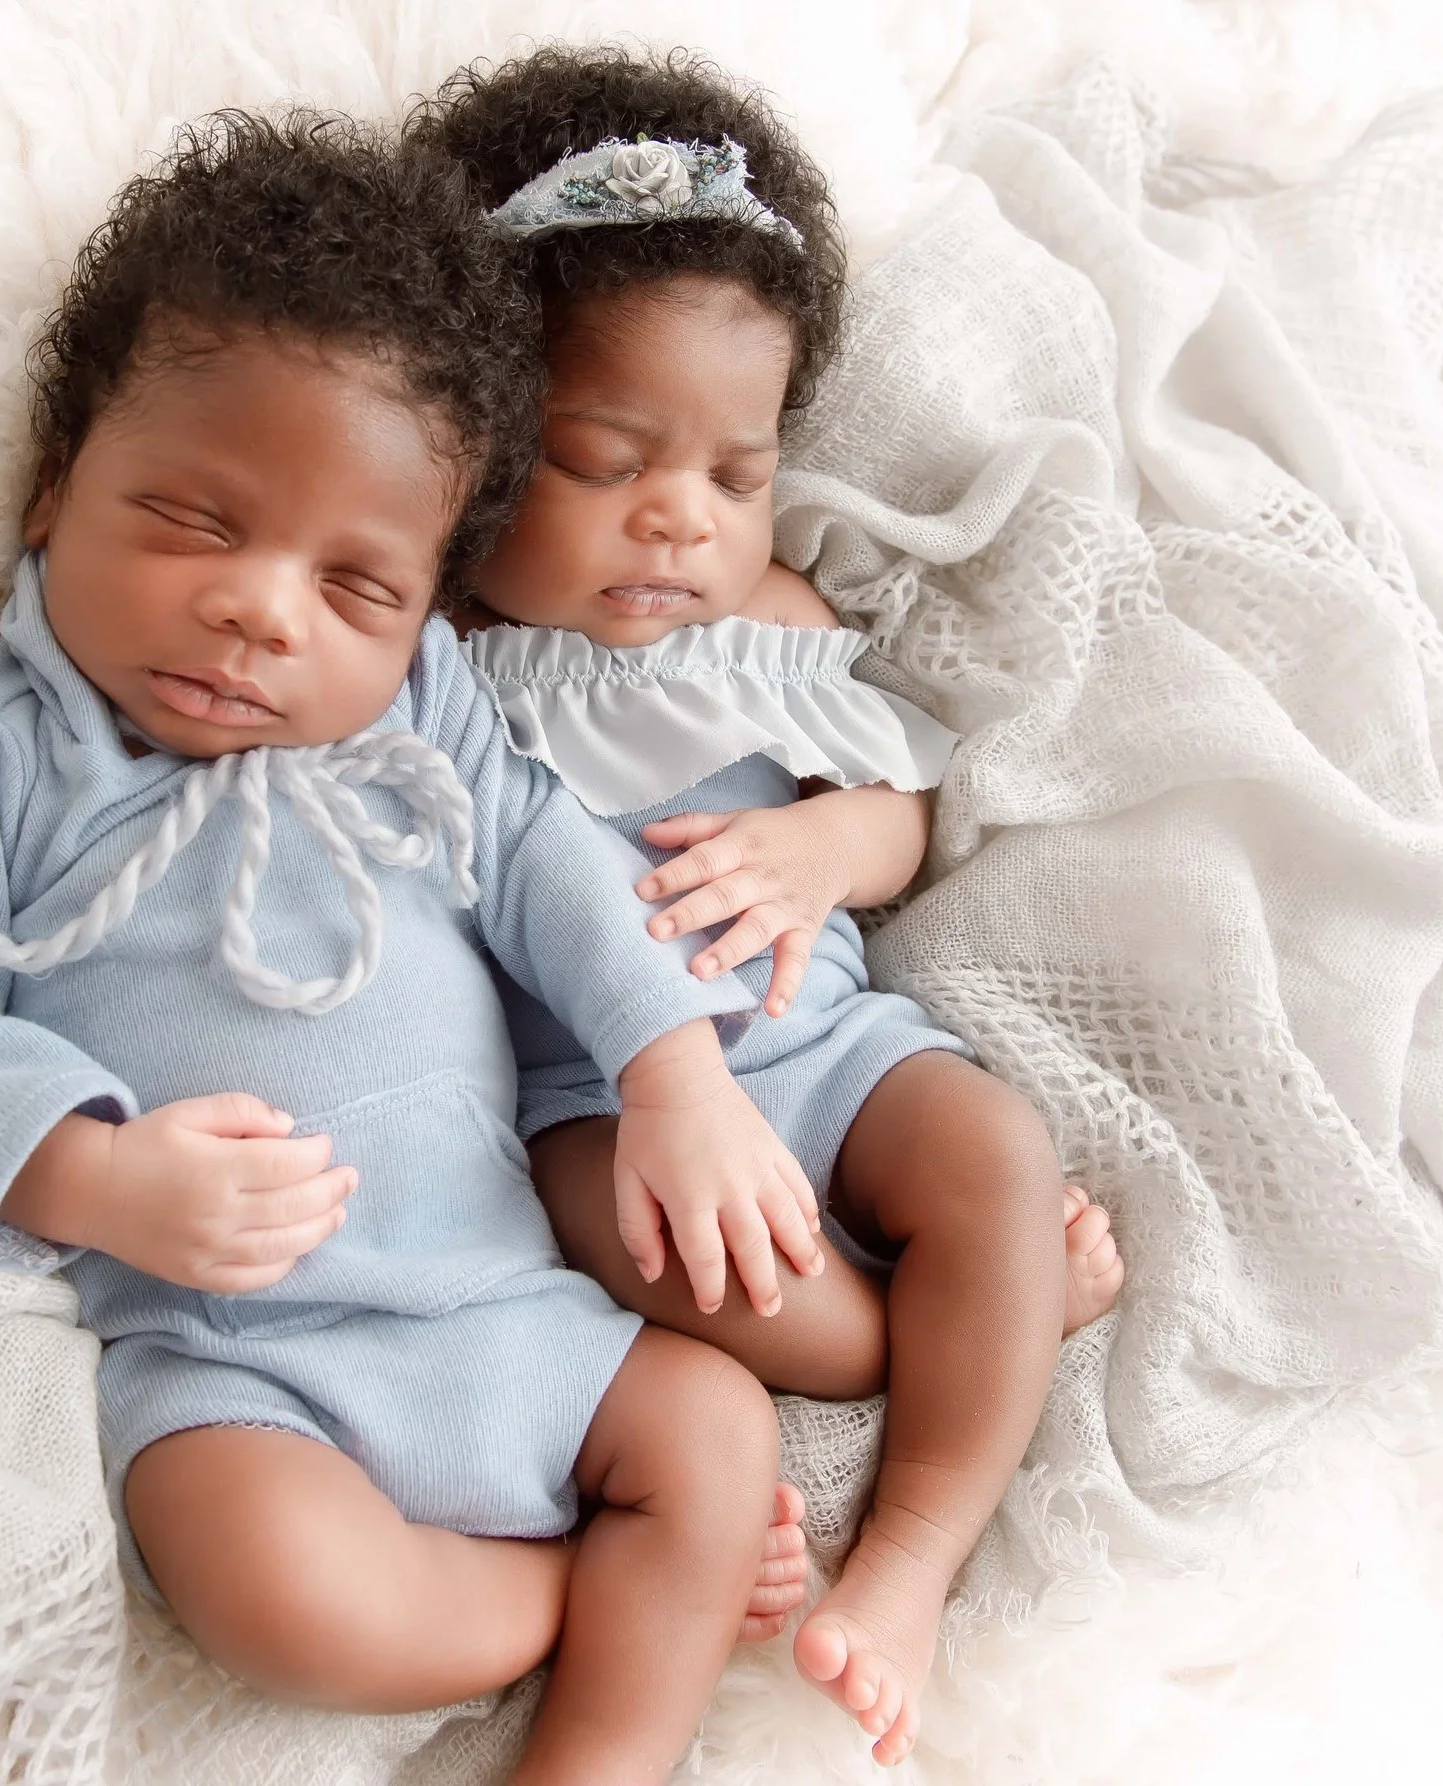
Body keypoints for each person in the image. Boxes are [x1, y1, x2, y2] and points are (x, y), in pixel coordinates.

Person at [0, 112, 818, 1783]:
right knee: (277, 1596)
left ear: (431, 604)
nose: (264, 609)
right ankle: (594, 1594)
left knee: (714, 1424)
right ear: (56, 483)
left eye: (355, 585)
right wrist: (95, 1178)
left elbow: (558, 872)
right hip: (238, 1355)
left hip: (502, 1295)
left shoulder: (424, 714)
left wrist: (675, 1074)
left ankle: (602, 1752)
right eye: (197, 522)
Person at [411, 48, 1125, 1766]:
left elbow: (903, 808)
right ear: (480, 439)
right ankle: (991, 1313)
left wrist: (826, 854)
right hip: (608, 1111)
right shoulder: (442, 670)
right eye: (604, 458)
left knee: (993, 1157)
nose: (679, 516)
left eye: (735, 474)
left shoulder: (776, 624)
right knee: (681, 1263)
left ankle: (911, 1560)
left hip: (830, 1046)